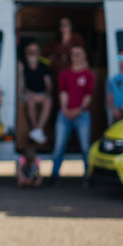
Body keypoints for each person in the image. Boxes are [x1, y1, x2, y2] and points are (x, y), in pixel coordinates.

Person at [50, 46, 95, 185]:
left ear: (84, 56)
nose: (75, 56)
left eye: (78, 53)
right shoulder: (65, 74)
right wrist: (64, 109)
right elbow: (63, 92)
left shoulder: (89, 75)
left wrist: (78, 110)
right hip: (64, 114)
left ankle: (88, 177)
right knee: (59, 147)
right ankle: (55, 176)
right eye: (73, 54)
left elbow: (89, 95)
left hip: (82, 115)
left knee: (85, 147)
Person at [21, 41, 52, 144]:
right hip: (28, 94)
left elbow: (48, 85)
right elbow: (22, 86)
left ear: (38, 53)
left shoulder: (44, 66)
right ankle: (36, 130)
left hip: (41, 93)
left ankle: (38, 129)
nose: (32, 53)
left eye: (35, 51)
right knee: (30, 103)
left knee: (48, 102)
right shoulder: (22, 66)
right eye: (30, 51)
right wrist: (33, 95)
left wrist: (45, 94)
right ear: (26, 53)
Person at [41, 17, 85, 81]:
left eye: (66, 24)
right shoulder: (53, 40)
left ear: (71, 26)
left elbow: (83, 54)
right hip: (57, 70)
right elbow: (42, 58)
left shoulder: (76, 38)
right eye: (61, 25)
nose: (63, 27)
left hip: (73, 68)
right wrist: (50, 62)